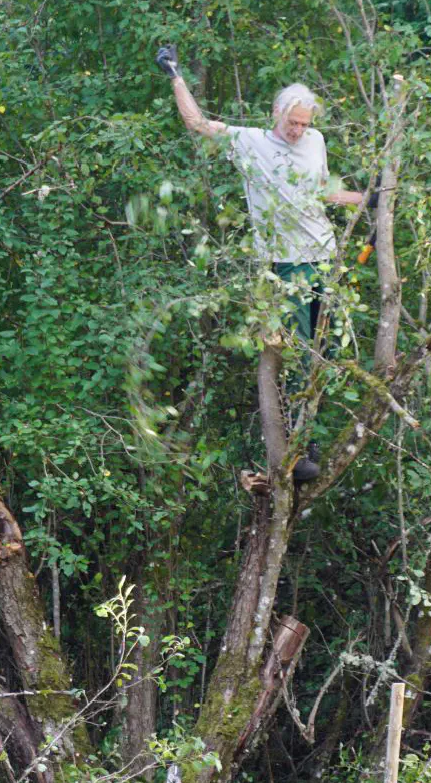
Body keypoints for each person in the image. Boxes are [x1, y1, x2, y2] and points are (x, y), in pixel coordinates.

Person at [158, 45, 368, 480]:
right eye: (292, 122)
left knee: (325, 351)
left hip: (325, 256)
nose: (297, 130)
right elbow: (198, 124)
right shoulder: (250, 141)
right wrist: (176, 75)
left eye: (304, 124)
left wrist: (365, 199)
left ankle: (309, 437)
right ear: (276, 113)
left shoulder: (316, 142)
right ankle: (298, 451)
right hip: (286, 265)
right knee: (297, 352)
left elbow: (320, 192)